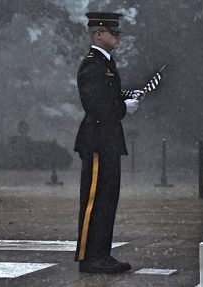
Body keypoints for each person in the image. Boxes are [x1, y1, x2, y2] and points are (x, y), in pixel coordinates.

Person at [73, 12, 142, 274]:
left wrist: (125, 96)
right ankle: (89, 257)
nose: (118, 37)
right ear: (98, 34)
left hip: (108, 141)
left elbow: (107, 94)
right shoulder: (92, 64)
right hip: (97, 142)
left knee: (107, 200)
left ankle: (102, 254)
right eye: (113, 33)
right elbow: (97, 106)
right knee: (94, 201)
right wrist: (123, 107)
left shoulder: (106, 63)